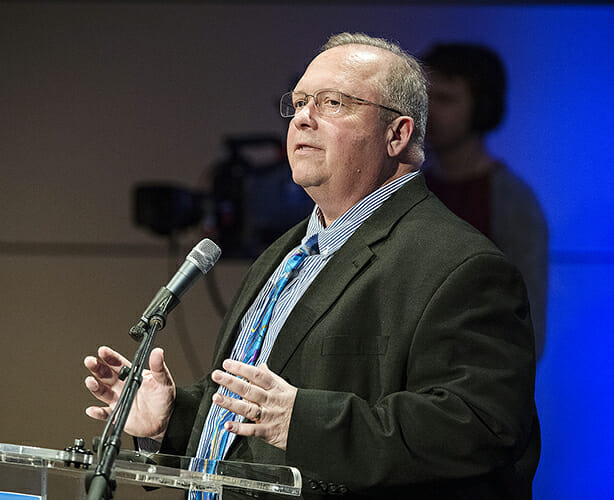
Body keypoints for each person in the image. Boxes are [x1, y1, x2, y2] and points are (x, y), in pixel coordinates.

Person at [84, 32, 540, 499]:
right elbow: (260, 407)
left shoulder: (463, 266)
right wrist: (173, 417)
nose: (303, 118)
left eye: (333, 103)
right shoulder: (287, 251)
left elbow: (480, 425)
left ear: (397, 134)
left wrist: (301, 421)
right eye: (298, 103)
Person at [421, 43, 549, 358]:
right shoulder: (410, 185)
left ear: (482, 107)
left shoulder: (511, 199)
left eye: (446, 99)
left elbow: (527, 321)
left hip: (478, 376)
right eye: (426, 97)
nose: (430, 111)